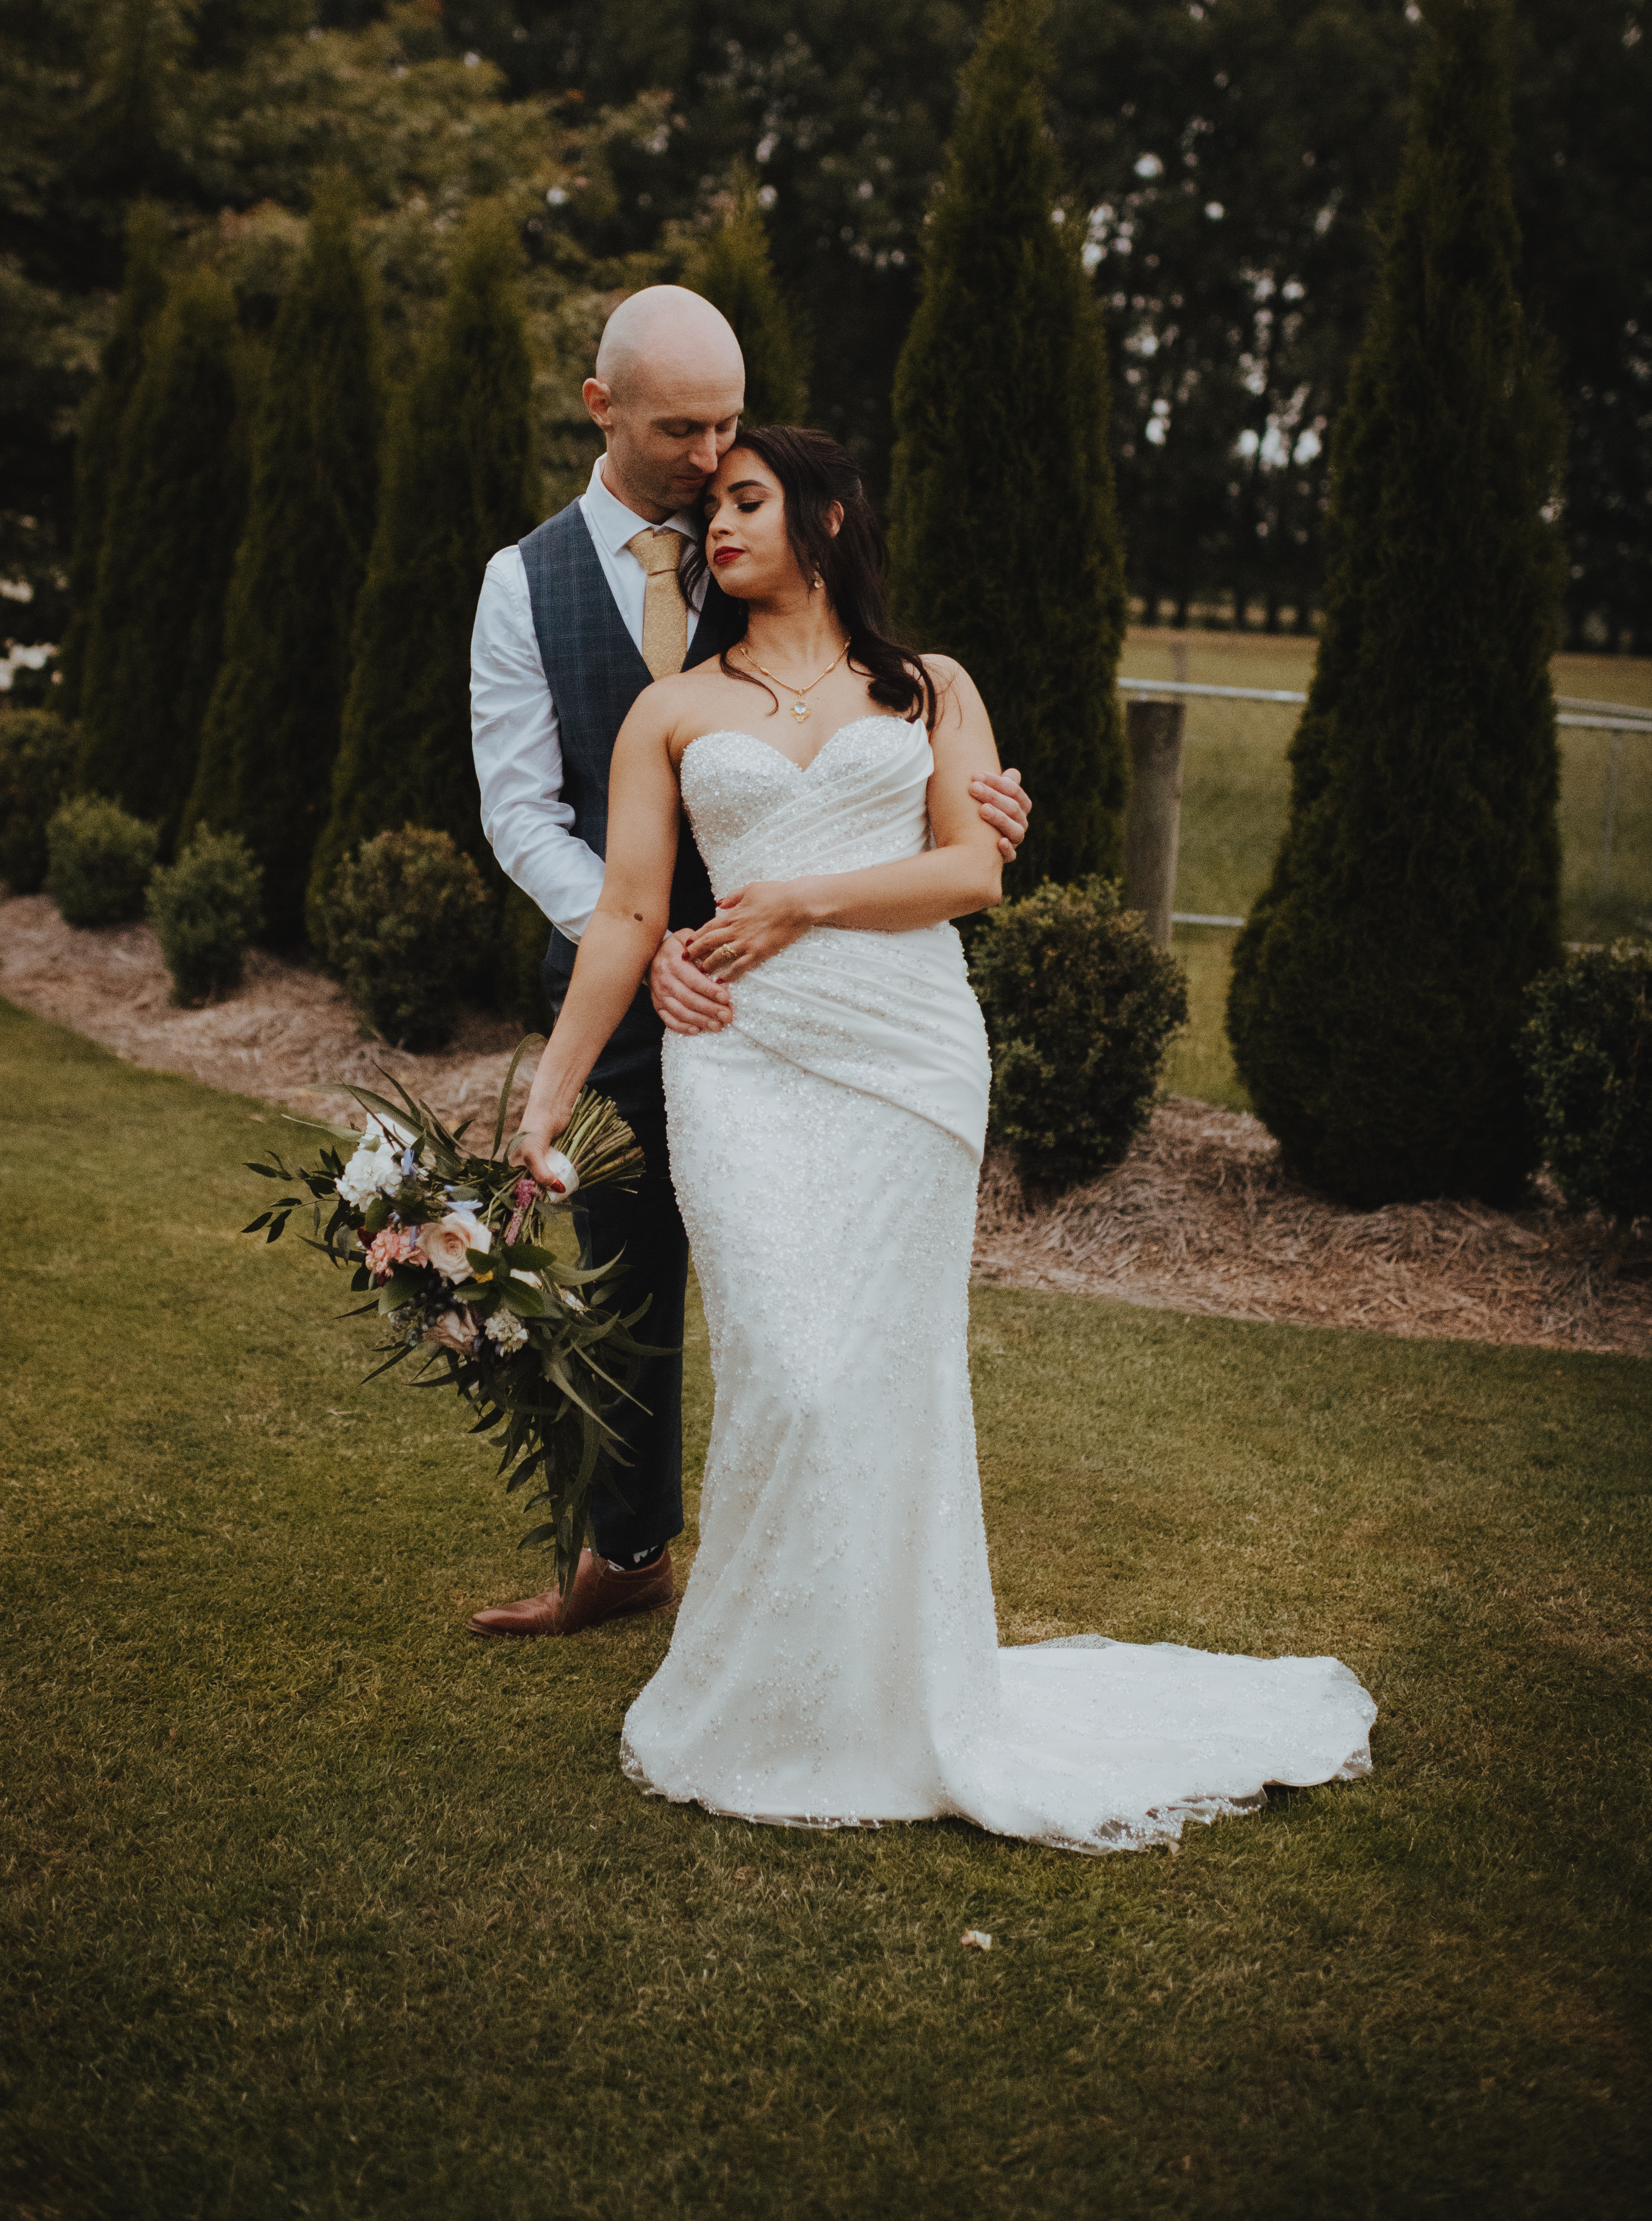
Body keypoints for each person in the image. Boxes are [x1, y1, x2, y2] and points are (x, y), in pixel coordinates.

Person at [510, 419, 1376, 1851]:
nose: (716, 528)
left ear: (829, 517)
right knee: (786, 1371)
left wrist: (800, 902)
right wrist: (547, 1103)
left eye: (745, 502)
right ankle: (765, 1691)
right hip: (739, 1063)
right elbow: (623, 912)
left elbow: (973, 870)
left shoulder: (928, 689)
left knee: (882, 1381)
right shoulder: (670, 710)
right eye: (710, 507)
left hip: (905, 1055)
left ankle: (885, 1697)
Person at [467, 285, 1032, 1638]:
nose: (711, 478)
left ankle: (867, 1619)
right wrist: (580, 1047)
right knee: (632, 1283)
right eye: (687, 437)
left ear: (818, 513)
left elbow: (943, 833)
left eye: (736, 454)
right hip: (674, 996)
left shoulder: (905, 672)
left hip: (879, 1025)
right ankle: (627, 1552)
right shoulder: (535, 591)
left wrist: (973, 813)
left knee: (863, 1349)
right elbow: (521, 814)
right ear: (603, 409)